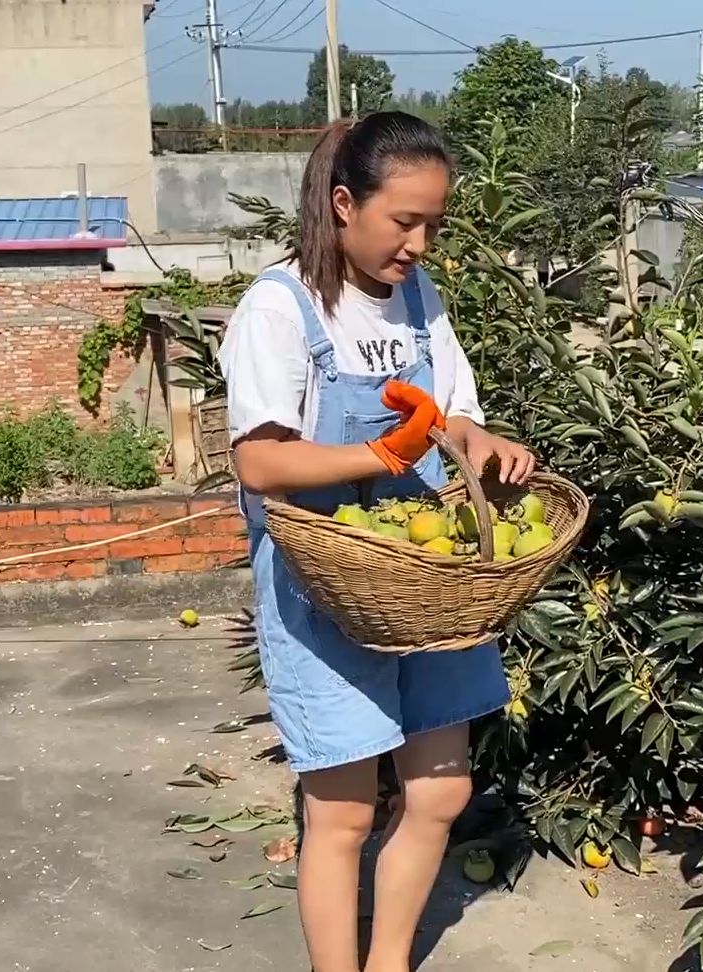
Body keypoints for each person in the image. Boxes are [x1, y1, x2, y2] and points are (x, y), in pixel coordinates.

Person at [220, 111, 535, 972]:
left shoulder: (419, 301)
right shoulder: (279, 309)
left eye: (432, 223)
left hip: (427, 579)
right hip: (325, 585)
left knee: (440, 789)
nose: (420, 244)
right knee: (343, 813)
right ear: (343, 203)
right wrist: (376, 453)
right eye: (404, 222)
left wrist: (486, 444)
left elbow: (457, 417)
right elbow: (258, 460)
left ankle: (388, 962)